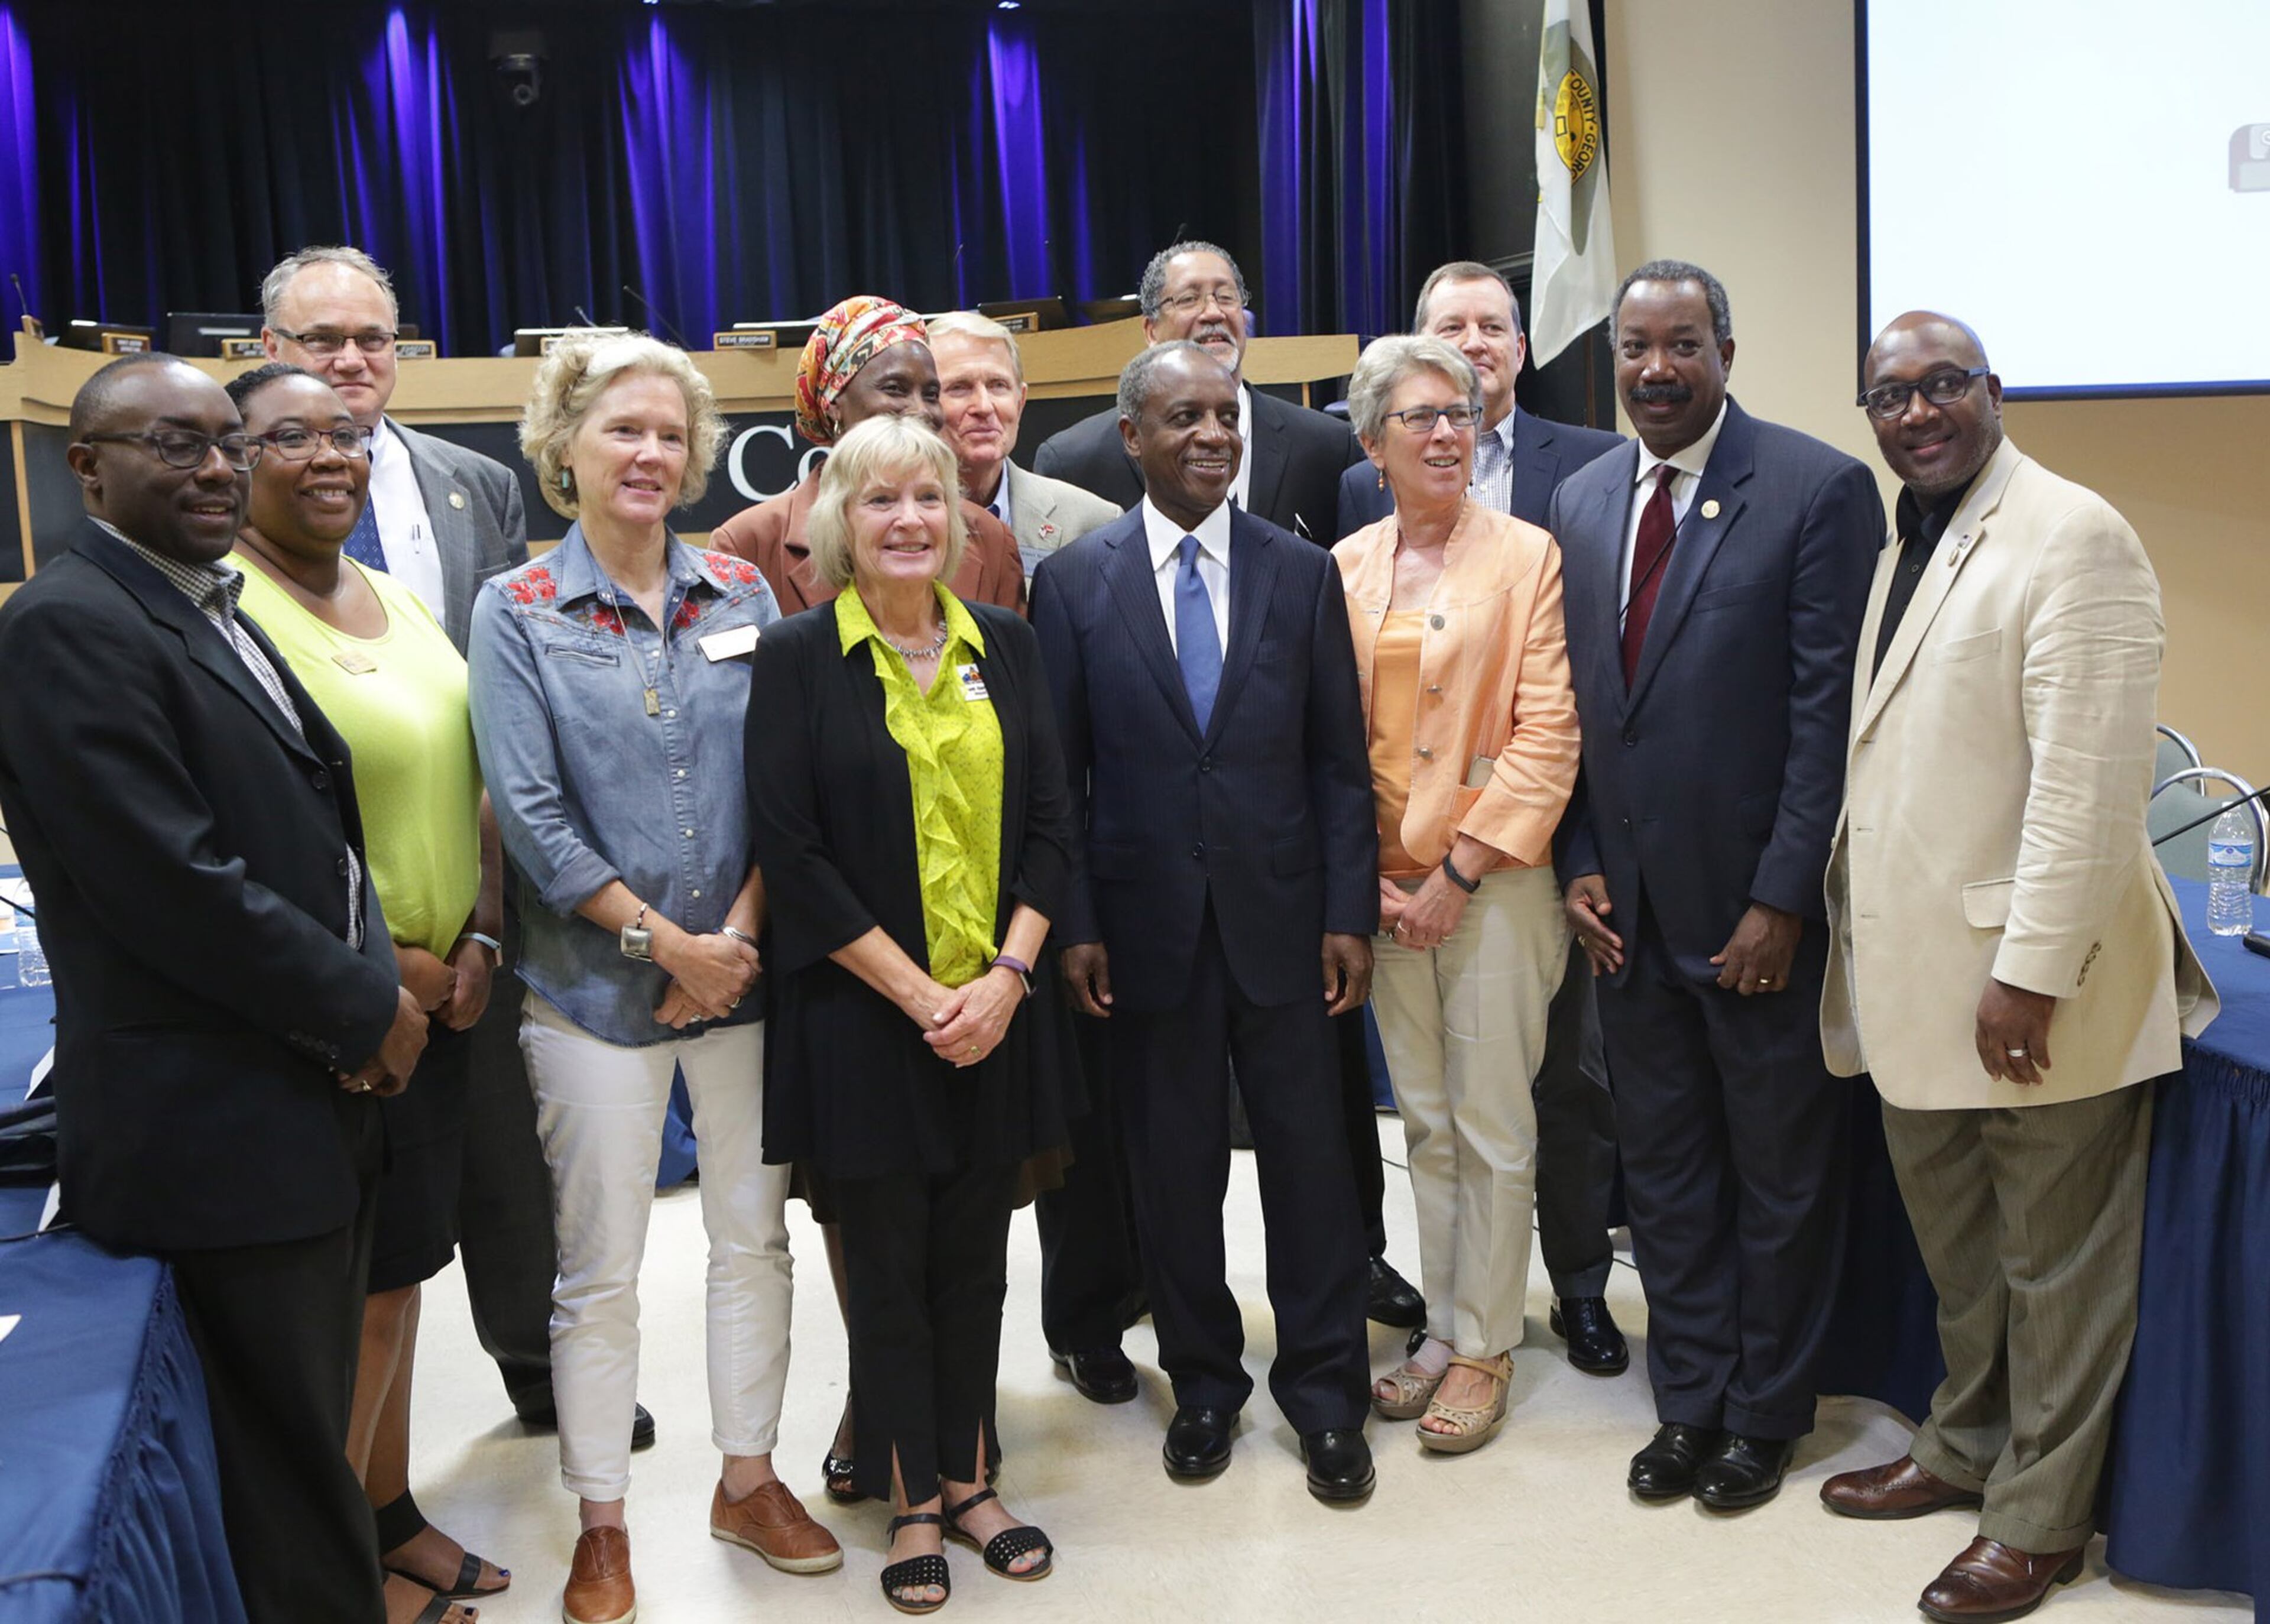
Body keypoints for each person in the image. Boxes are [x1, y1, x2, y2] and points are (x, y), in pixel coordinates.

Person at [0, 354, 428, 1624]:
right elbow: (172, 882)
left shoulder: (197, 600)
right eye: (173, 445)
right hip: (215, 1120)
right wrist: (365, 1008)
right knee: (285, 1468)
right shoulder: (67, 623)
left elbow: (303, 829)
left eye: (224, 445)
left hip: (293, 1097)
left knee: (303, 1445)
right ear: (87, 465)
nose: (216, 469)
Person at [1818, 312, 2218, 1623]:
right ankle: (1959, 1444)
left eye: (1942, 386)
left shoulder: (2074, 532)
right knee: (1968, 1258)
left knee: (2058, 1266)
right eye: (1890, 394)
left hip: (2034, 987)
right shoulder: (1915, 532)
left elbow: (2091, 790)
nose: (1916, 411)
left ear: (1996, 390)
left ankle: (2039, 1519)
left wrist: (2034, 971)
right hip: (1917, 977)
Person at [469, 333, 836, 1624]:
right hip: (590, 993)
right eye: (621, 429)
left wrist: (728, 938)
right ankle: (603, 1518)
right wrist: (663, 944)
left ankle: (749, 1477)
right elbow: (528, 813)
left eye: (670, 434)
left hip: (745, 974)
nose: (649, 453)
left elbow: (789, 787)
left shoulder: (745, 590)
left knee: (753, 1239)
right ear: (565, 445)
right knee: (601, 1268)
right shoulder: (515, 608)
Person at [1037, 241, 1419, 1330]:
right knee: (1174, 1167)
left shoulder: (1303, 573)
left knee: (1310, 1167)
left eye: (1226, 419)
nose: (1213, 436)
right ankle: (1202, 1378)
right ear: (1131, 438)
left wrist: (1348, 910)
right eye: (1185, 420)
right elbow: (1065, 779)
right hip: (1145, 936)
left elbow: (1339, 763)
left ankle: (1322, 1380)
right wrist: (1077, 925)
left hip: (1289, 928)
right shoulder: (1073, 583)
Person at [1550, 259, 1880, 1509]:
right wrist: (1578, 860)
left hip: (1757, 921)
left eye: (1682, 343)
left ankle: (1766, 1408)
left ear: (1726, 352)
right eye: (1636, 345)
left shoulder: (1814, 489)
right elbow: (1581, 711)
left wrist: (1783, 897)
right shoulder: (1582, 500)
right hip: (1624, 916)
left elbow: (1826, 719)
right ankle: (1687, 1396)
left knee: (1780, 1171)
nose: (1655, 368)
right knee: (1670, 1169)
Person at [745, 414, 1075, 1613]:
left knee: (976, 1260)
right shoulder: (794, 656)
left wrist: (1007, 978)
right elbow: (793, 850)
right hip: (862, 1016)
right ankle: (913, 1499)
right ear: (840, 519)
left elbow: (1051, 827)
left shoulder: (1009, 645)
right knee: (883, 1264)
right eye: (879, 500)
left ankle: (976, 1475)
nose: (907, 522)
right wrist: (923, 990)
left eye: (928, 499)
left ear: (957, 515)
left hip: (997, 1011)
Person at [260, 245, 583, 1448]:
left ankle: (539, 1367)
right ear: (271, 355)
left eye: (373, 340)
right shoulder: (238, 530)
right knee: (365, 1213)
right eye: (321, 340)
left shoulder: (467, 480)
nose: (351, 362)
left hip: (474, 878)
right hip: (326, 916)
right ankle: (344, 1471)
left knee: (504, 1146)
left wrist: (493, 909)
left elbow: (506, 683)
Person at [225, 361, 502, 1624]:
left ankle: (388, 1518)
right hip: (343, 1013)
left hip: (448, 998)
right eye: (292, 435)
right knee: (355, 1311)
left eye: (346, 432)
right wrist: (384, 966)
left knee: (400, 1282)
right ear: (232, 460)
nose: (330, 453)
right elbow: (253, 832)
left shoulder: (389, 590)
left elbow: (470, 770)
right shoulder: (227, 612)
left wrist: (483, 935)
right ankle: (336, 1572)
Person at [1337, 260, 1632, 1376]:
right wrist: (1364, 875)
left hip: (1495, 884)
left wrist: (1454, 873)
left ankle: (1488, 1348)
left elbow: (1552, 731)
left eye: (1460, 413)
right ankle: (1448, 1324)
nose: (1449, 433)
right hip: (1382, 886)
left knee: (1498, 1123)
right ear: (1374, 443)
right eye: (1421, 417)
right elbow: (1333, 745)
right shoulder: (1345, 566)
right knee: (1425, 1124)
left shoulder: (1529, 555)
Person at [929, 308, 1139, 1402]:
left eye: (995, 388)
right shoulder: (891, 512)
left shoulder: (1085, 517)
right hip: (922, 887)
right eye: (953, 389)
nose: (978, 408)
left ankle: (1088, 1318)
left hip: (1060, 871)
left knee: (1077, 1120)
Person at [711, 297, 1024, 614]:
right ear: (834, 403)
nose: (919, 410)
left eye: (931, 395)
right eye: (895, 389)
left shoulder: (990, 540)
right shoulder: (749, 544)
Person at [1034, 239, 1362, 541]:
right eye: (1189, 299)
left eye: (1226, 297)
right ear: (1151, 330)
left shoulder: (1328, 448)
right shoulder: (1075, 462)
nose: (1213, 313)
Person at [929, 310, 1122, 581]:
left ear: (1020, 403)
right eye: (960, 388)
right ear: (925, 406)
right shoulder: (895, 524)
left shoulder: (1092, 523)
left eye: (998, 386)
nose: (984, 407)